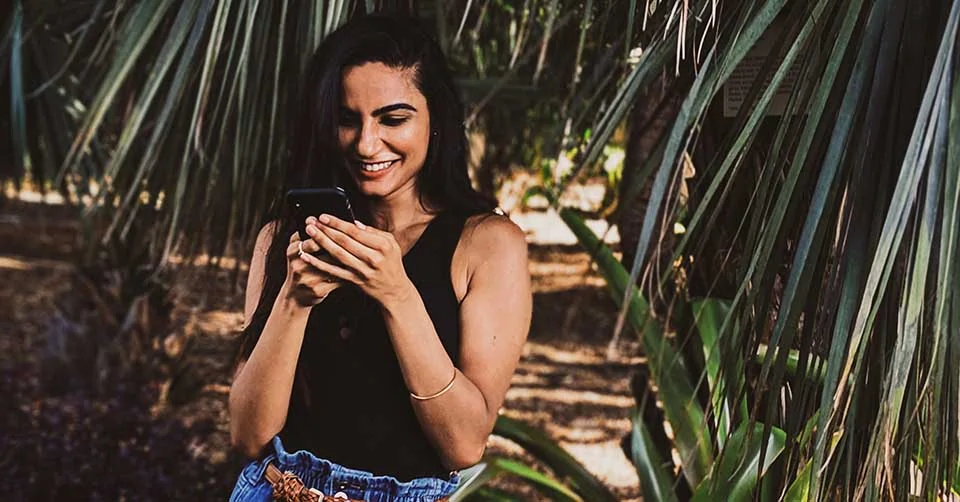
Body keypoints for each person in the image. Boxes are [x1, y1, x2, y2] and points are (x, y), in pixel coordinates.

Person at [228, 14, 532, 502]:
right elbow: (248, 436)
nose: (367, 144)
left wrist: (396, 292)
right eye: (348, 120)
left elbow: (464, 445)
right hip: (279, 490)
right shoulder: (282, 240)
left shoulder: (488, 245)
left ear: (436, 121)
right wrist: (294, 299)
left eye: (393, 119)